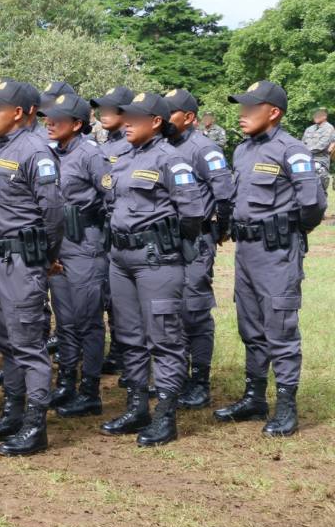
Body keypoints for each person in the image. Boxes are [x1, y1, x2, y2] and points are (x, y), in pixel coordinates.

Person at [217, 81, 326, 436]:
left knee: (280, 328)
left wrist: (287, 232)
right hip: (246, 252)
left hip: (277, 252)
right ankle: (254, 398)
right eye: (242, 107)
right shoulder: (242, 150)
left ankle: (286, 406)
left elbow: (313, 204)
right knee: (251, 326)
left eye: (251, 108)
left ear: (274, 112)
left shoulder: (291, 150)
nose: (242, 114)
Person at [100, 92, 206, 447]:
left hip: (155, 260)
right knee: (129, 336)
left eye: (134, 117)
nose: (126, 122)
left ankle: (165, 415)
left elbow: (192, 214)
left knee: (164, 338)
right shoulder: (122, 159)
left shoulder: (172, 160)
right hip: (121, 259)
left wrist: (167, 242)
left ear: (156, 122)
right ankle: (137, 407)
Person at [0, 79, 64, 456]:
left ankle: (35, 424)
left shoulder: (36, 151)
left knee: (28, 345)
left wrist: (45, 256)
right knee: (6, 343)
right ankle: (12, 414)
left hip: (21, 261)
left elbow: (53, 213)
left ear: (22, 112)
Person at [40, 94, 110, 418]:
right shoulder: (49, 153)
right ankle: (66, 382)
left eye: (57, 119)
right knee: (65, 319)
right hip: (59, 244)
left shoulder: (91, 154)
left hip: (85, 243)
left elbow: (112, 195)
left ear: (78, 124)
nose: (49, 123)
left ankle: (90, 391)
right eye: (48, 117)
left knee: (88, 321)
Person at [164, 89, 235, 409]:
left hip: (196, 240)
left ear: (189, 117)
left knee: (194, 311)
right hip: (165, 242)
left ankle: (200, 382)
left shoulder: (204, 148)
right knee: (170, 310)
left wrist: (220, 229)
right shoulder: (162, 145)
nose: (163, 118)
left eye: (170, 113)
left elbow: (224, 193)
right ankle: (175, 377)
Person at [90, 86, 135, 379]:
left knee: (123, 297)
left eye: (110, 109)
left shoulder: (132, 145)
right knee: (108, 292)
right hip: (102, 228)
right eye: (101, 109)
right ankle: (118, 348)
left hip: (123, 228)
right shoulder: (101, 146)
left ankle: (124, 350)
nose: (103, 113)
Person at [301, 107, 334, 193]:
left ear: (324, 116)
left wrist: (304, 151)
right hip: (306, 159)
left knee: (319, 189)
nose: (316, 117)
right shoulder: (309, 129)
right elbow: (302, 143)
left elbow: (321, 146)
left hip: (320, 161)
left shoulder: (329, 128)